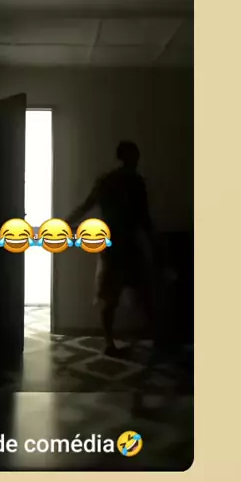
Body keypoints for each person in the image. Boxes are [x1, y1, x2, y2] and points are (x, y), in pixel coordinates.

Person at [68, 141, 156, 358]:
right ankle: (154, 339)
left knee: (110, 296)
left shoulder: (107, 181)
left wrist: (66, 223)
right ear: (133, 158)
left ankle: (110, 342)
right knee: (142, 291)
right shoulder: (135, 182)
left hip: (112, 243)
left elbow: (86, 205)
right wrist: (153, 243)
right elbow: (144, 218)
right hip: (128, 243)